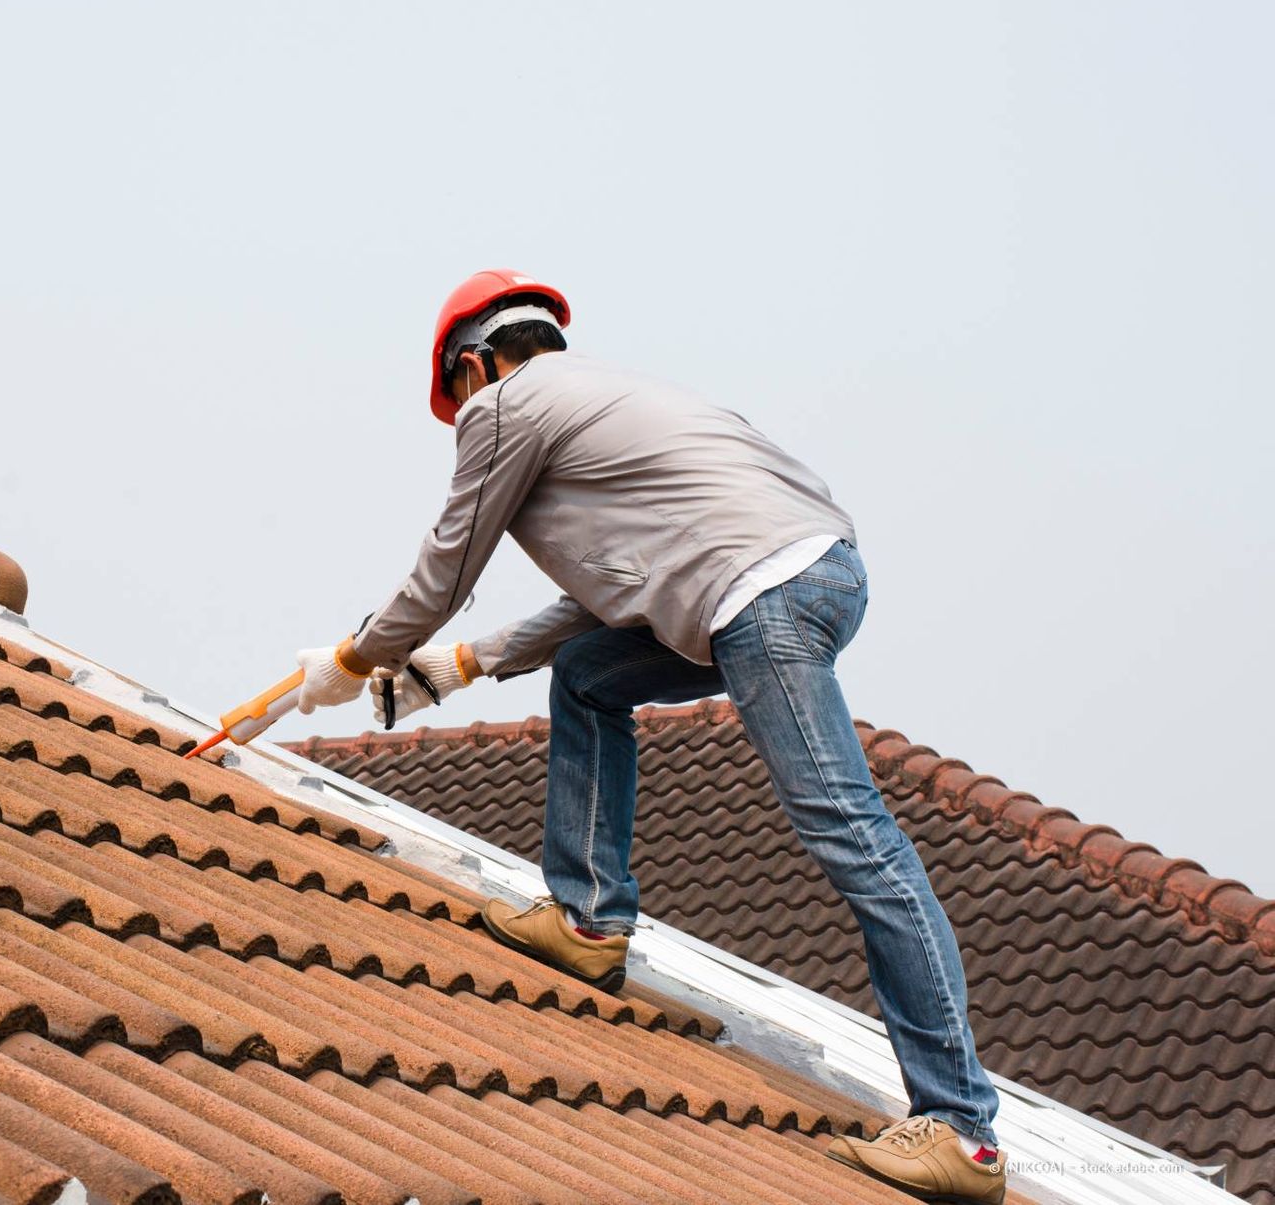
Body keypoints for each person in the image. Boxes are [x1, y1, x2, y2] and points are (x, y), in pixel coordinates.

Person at [291, 270, 1006, 1203]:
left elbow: (447, 566)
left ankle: (961, 1127)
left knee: (854, 836)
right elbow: (597, 603)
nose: (463, 419)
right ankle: (589, 917)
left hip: (757, 597)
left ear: (474, 365)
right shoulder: (614, 401)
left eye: (460, 395)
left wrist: (354, 656)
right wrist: (455, 667)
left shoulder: (504, 407)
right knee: (590, 677)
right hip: (815, 576)